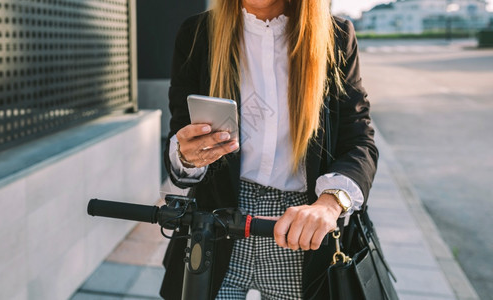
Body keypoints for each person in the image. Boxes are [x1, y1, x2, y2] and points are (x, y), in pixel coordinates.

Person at [161, 0, 378, 299]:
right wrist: (187, 155)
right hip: (217, 225)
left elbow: (359, 140)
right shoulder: (197, 33)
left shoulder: (336, 36)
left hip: (301, 230)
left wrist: (330, 203)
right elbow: (181, 135)